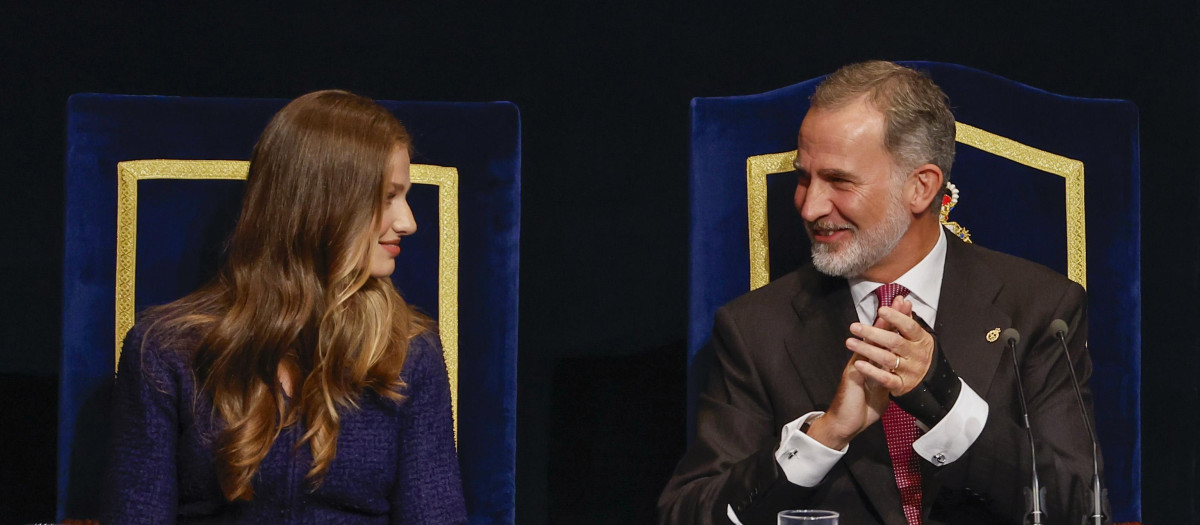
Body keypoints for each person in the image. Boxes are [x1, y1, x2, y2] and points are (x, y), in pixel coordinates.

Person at [659, 61, 1109, 524]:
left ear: (920, 187)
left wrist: (946, 402)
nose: (811, 206)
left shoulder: (1040, 309)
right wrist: (822, 436)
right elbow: (686, 515)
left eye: (839, 181)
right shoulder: (756, 329)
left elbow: (1078, 508)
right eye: (803, 177)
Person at [103, 90, 467, 524]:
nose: (408, 221)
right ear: (322, 205)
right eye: (388, 196)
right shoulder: (164, 351)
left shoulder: (409, 352)